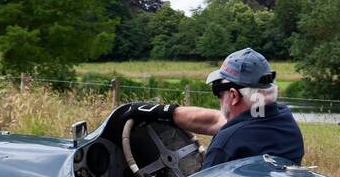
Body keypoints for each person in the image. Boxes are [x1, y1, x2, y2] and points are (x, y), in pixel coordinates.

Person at [126, 48, 304, 168]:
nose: (219, 97)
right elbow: (218, 121)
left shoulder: (227, 144)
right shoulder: (284, 120)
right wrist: (162, 112)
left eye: (218, 90)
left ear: (233, 95)